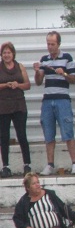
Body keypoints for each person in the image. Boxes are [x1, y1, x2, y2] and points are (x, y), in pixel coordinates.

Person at [33, 31, 75, 176]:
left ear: (58, 44)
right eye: (48, 44)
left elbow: (74, 79)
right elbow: (39, 82)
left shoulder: (67, 57)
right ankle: (50, 164)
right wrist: (37, 72)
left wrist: (64, 73)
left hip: (62, 99)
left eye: (52, 44)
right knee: (48, 133)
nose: (50, 47)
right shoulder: (44, 59)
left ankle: (74, 164)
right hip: (47, 99)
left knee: (67, 131)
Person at [0, 42, 32, 178]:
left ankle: (27, 165)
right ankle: (5, 166)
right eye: (4, 53)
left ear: (13, 54)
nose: (6, 55)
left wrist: (17, 85)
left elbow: (28, 85)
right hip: (3, 106)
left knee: (22, 135)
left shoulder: (20, 66)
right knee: (4, 136)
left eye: (9, 52)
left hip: (19, 104)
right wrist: (6, 85)